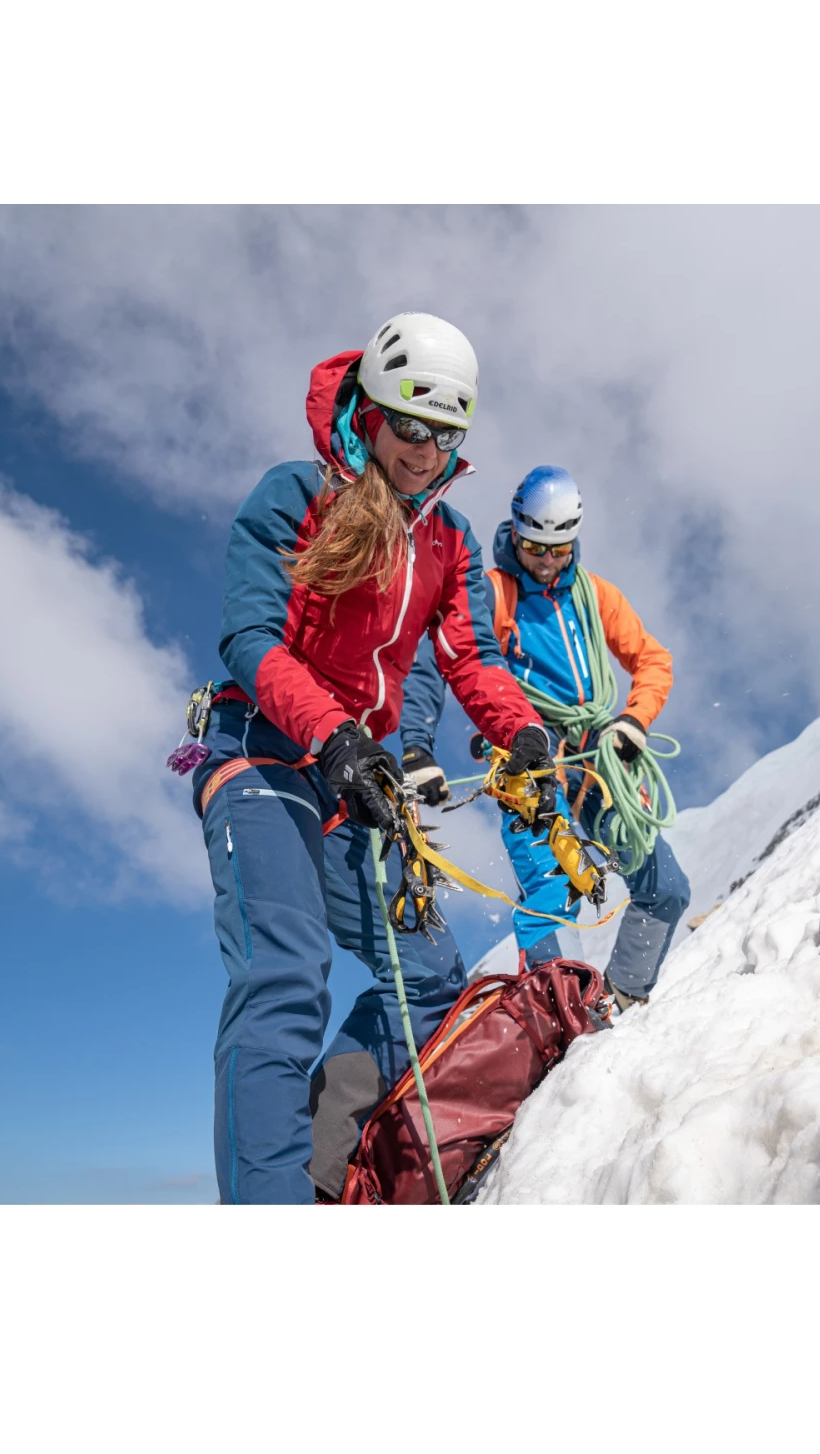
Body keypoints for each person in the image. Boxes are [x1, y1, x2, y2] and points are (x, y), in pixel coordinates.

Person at [189, 313, 555, 1205]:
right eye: (412, 427)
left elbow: (472, 658)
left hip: (352, 777)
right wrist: (334, 734)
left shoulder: (450, 540)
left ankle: (319, 1176)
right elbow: (249, 638)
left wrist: (522, 734)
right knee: (285, 975)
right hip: (264, 752)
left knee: (428, 980)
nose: (427, 453)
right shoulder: (296, 493)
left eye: (447, 435)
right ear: (372, 411)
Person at [401, 466, 690, 1009]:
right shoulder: (491, 593)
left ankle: (624, 1001)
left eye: (559, 549)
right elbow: (435, 661)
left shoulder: (594, 594)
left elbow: (652, 659)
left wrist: (633, 719)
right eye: (535, 547)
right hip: (529, 763)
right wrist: (417, 745)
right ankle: (562, 1017)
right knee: (552, 891)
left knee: (666, 887)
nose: (547, 560)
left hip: (598, 758)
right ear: (515, 532)